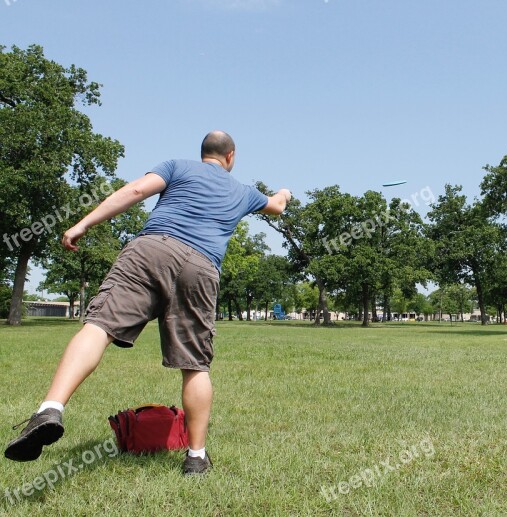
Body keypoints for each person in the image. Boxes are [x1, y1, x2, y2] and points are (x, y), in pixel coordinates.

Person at [4, 131, 291, 475]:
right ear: (231, 156)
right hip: (201, 267)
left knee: (99, 326)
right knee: (195, 365)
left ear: (203, 153)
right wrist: (284, 193)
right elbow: (275, 207)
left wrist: (83, 223)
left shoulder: (177, 166)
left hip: (151, 249)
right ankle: (196, 458)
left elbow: (136, 191)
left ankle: (51, 408)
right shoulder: (243, 191)